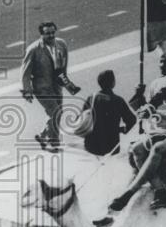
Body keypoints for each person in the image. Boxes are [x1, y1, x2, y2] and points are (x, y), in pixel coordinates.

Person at [95, 38, 166, 227]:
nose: (162, 65)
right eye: (161, 61)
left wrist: (156, 114)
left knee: (159, 149)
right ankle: (160, 190)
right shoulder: (156, 84)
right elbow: (143, 110)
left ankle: (128, 193)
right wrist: (139, 98)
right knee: (137, 149)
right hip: (158, 130)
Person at [21, 21, 78, 152]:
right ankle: (54, 142)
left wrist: (66, 82)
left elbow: (64, 65)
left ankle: (43, 136)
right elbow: (25, 72)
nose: (51, 35)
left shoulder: (61, 44)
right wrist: (27, 91)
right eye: (47, 33)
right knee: (55, 112)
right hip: (42, 88)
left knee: (58, 113)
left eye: (53, 32)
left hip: (57, 85)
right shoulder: (34, 49)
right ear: (41, 35)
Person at [80, 70, 136, 157]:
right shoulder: (118, 100)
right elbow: (132, 120)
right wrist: (122, 130)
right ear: (113, 83)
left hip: (91, 144)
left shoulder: (92, 97)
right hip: (111, 146)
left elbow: (82, 117)